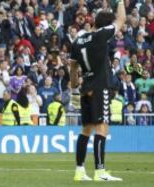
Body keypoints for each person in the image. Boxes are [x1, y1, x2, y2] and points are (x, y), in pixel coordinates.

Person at [70, 0, 125, 181]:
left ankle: (79, 171)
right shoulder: (102, 35)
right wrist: (120, 2)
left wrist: (73, 89)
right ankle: (100, 172)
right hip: (100, 87)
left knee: (85, 130)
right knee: (102, 128)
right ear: (106, 25)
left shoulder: (77, 41)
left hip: (85, 87)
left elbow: (72, 69)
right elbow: (122, 19)